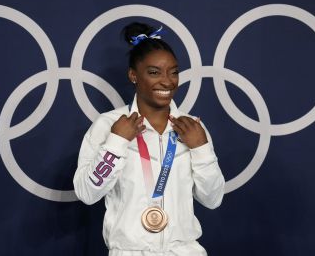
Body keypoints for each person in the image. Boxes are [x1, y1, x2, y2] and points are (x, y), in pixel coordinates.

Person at [73, 22, 225, 256]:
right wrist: (115, 144)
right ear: (133, 75)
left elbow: (213, 199)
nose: (167, 81)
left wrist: (201, 149)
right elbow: (87, 192)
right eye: (154, 72)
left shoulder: (192, 127)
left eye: (174, 72)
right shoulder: (108, 125)